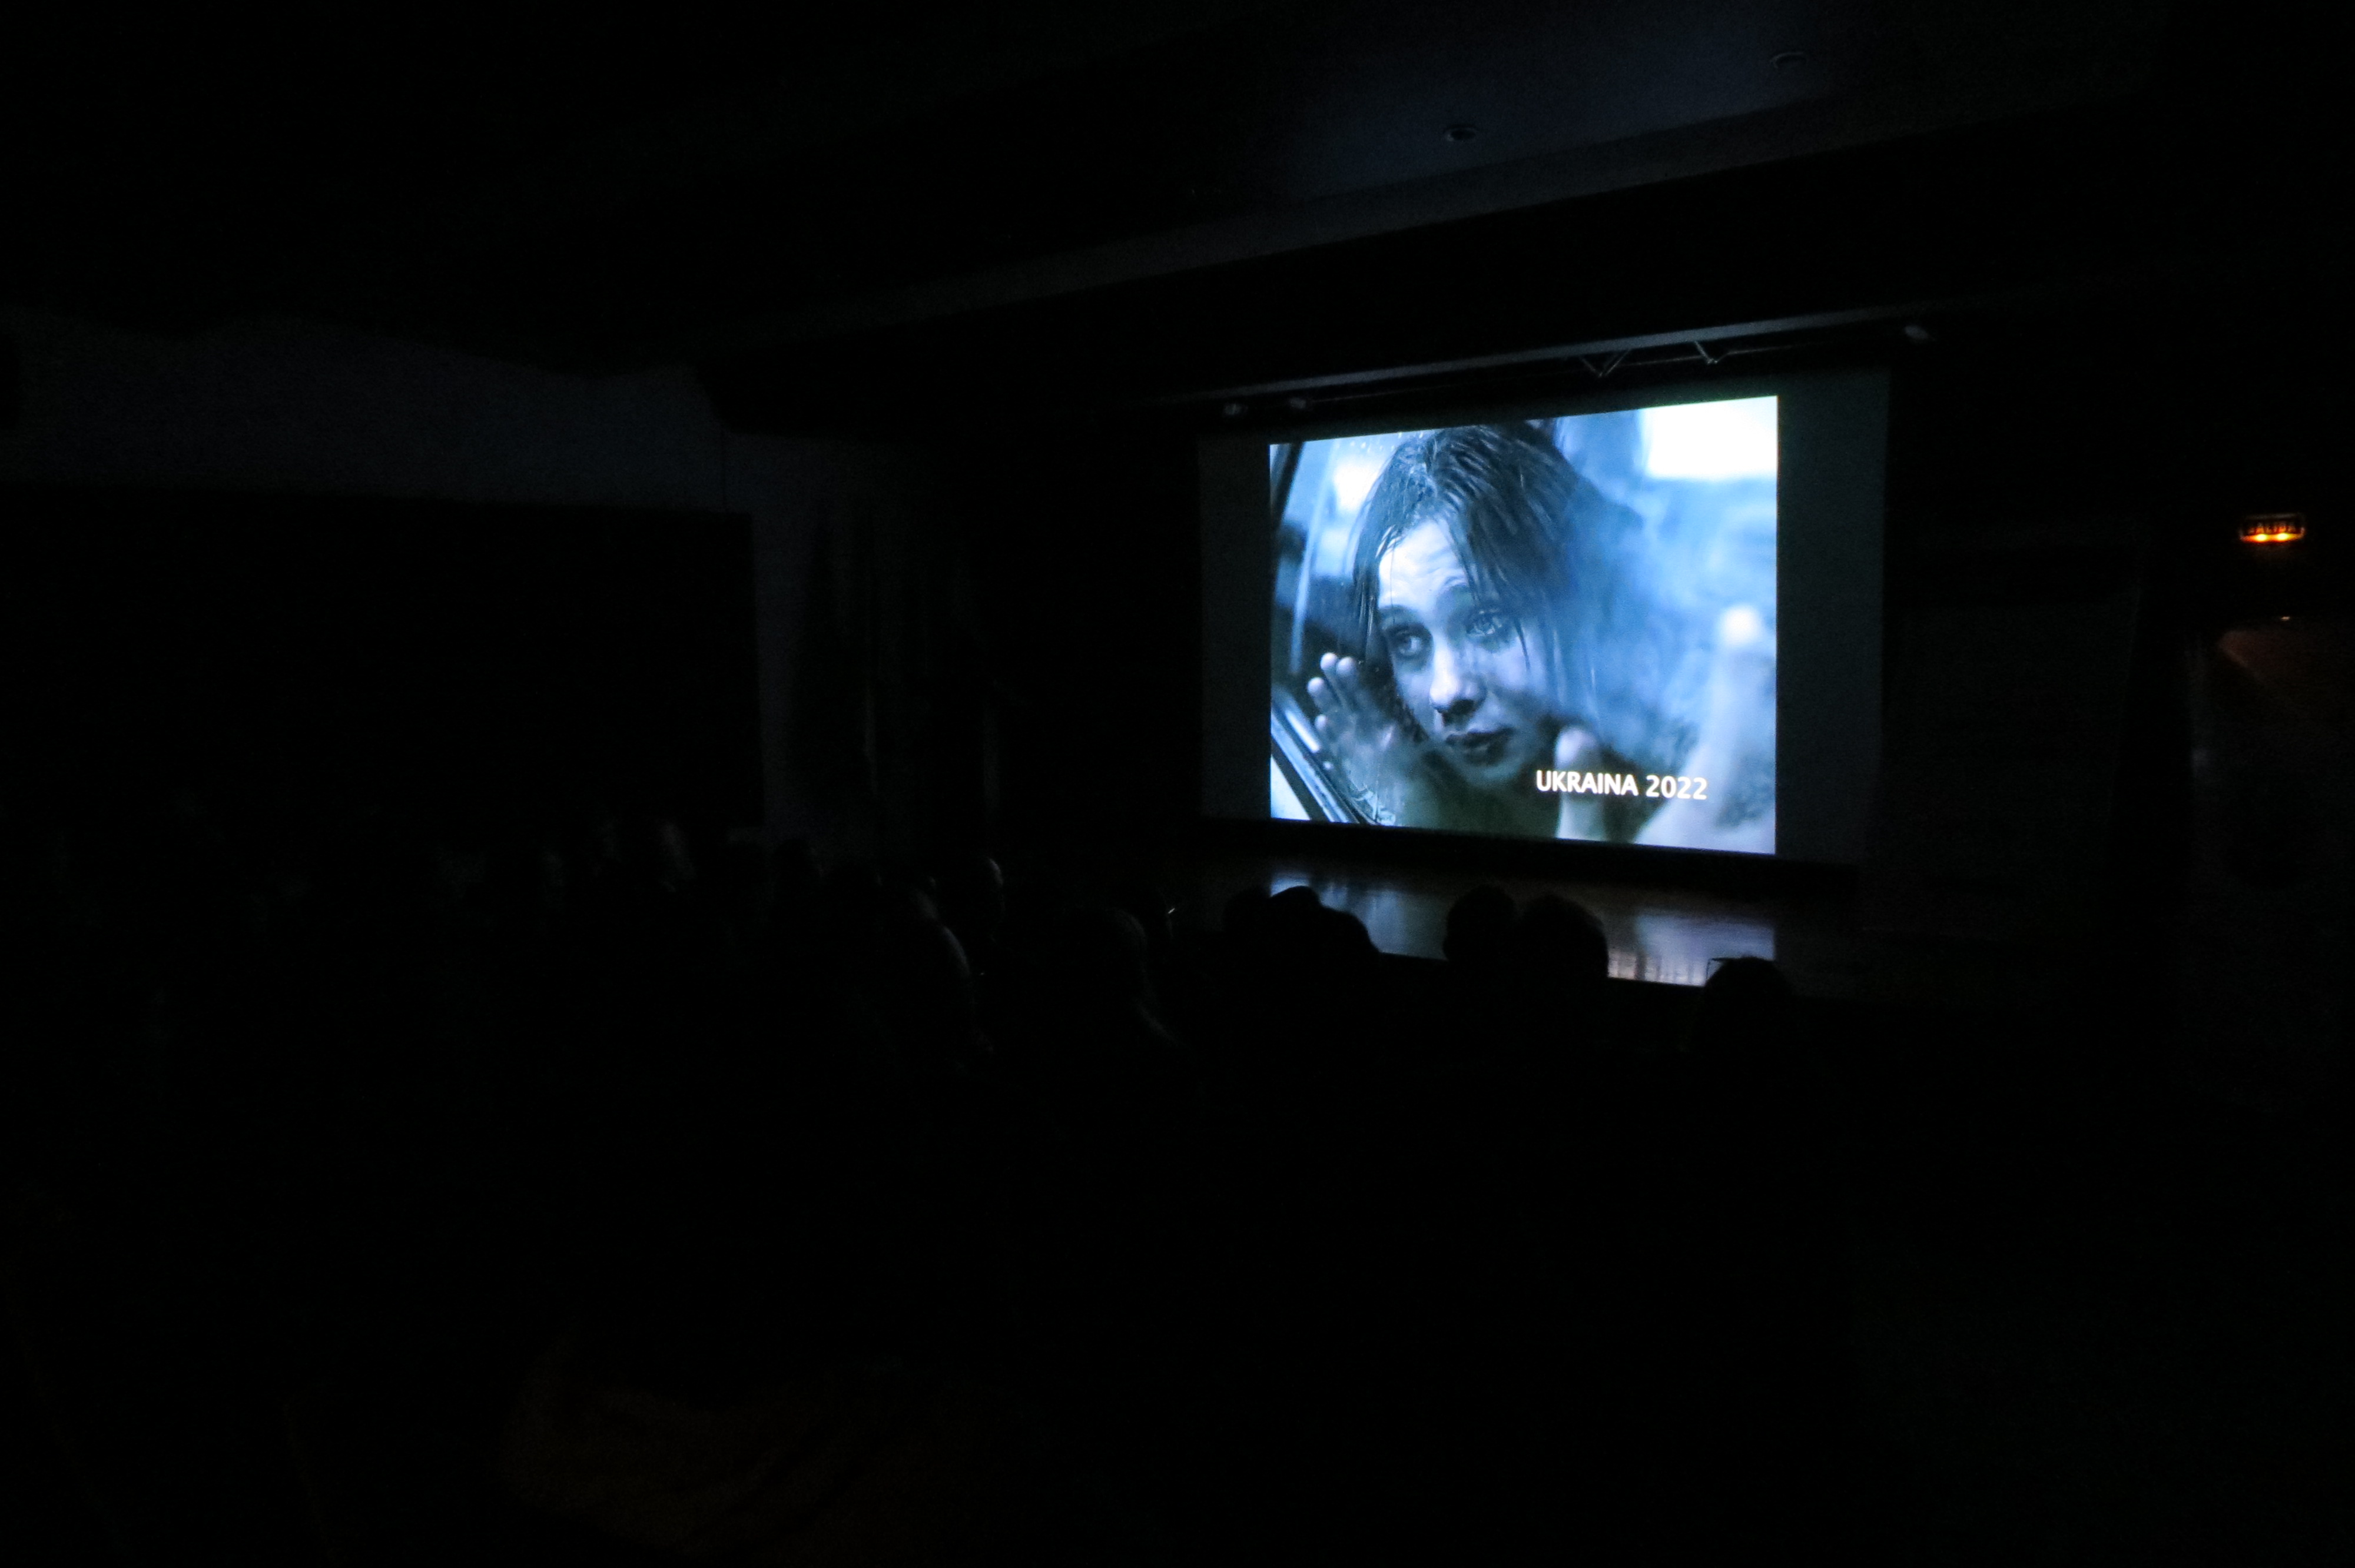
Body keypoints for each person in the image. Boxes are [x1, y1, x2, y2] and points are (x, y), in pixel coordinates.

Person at [1303, 423, 1645, 841]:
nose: (1447, 693)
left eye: (1486, 621)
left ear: (1577, 611)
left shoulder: (1673, 807)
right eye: (1407, 639)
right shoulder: (1412, 782)